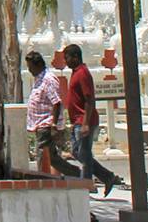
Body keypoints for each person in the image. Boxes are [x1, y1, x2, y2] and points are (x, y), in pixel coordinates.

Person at [62, 44, 122, 195]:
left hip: (84, 120)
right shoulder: (76, 73)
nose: (65, 61)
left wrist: (85, 123)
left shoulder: (83, 73)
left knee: (85, 154)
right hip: (77, 120)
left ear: (75, 57)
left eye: (67, 58)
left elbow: (89, 99)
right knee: (78, 152)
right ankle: (107, 176)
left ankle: (86, 185)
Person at [25, 51, 81, 178]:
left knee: (43, 154)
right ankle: (76, 173)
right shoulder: (39, 79)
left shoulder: (48, 80)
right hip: (40, 123)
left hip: (46, 123)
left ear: (38, 65)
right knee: (52, 158)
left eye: (31, 67)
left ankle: (42, 178)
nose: (29, 70)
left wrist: (53, 124)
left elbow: (56, 102)